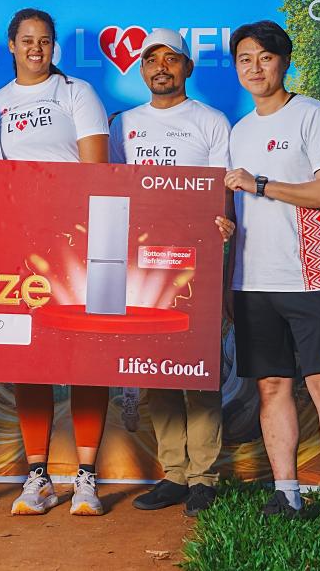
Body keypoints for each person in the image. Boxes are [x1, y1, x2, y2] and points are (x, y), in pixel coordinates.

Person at [223, 20, 320, 546]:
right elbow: (234, 206)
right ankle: (288, 493)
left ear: (284, 62)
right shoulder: (238, 130)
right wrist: (227, 221)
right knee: (270, 386)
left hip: (309, 276)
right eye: (244, 59)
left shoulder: (313, 115)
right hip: (252, 279)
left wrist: (259, 185)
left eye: (264, 58)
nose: (254, 68)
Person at [0, 8, 110, 516]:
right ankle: (37, 477)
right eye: (27, 40)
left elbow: (97, 170)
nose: (37, 48)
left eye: (45, 40)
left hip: (77, 243)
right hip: (17, 248)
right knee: (28, 359)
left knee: (86, 358)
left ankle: (85, 478)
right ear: (10, 45)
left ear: (54, 47)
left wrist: (73, 231)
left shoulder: (76, 93)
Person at [108, 28, 234, 516]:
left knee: (197, 369)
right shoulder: (124, 126)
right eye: (151, 60)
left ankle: (204, 476)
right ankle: (174, 474)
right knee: (157, 367)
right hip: (143, 261)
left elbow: (223, 193)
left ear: (187, 68)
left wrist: (224, 230)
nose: (161, 67)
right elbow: (114, 190)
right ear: (142, 69)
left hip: (197, 259)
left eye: (171, 60)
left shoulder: (211, 121)